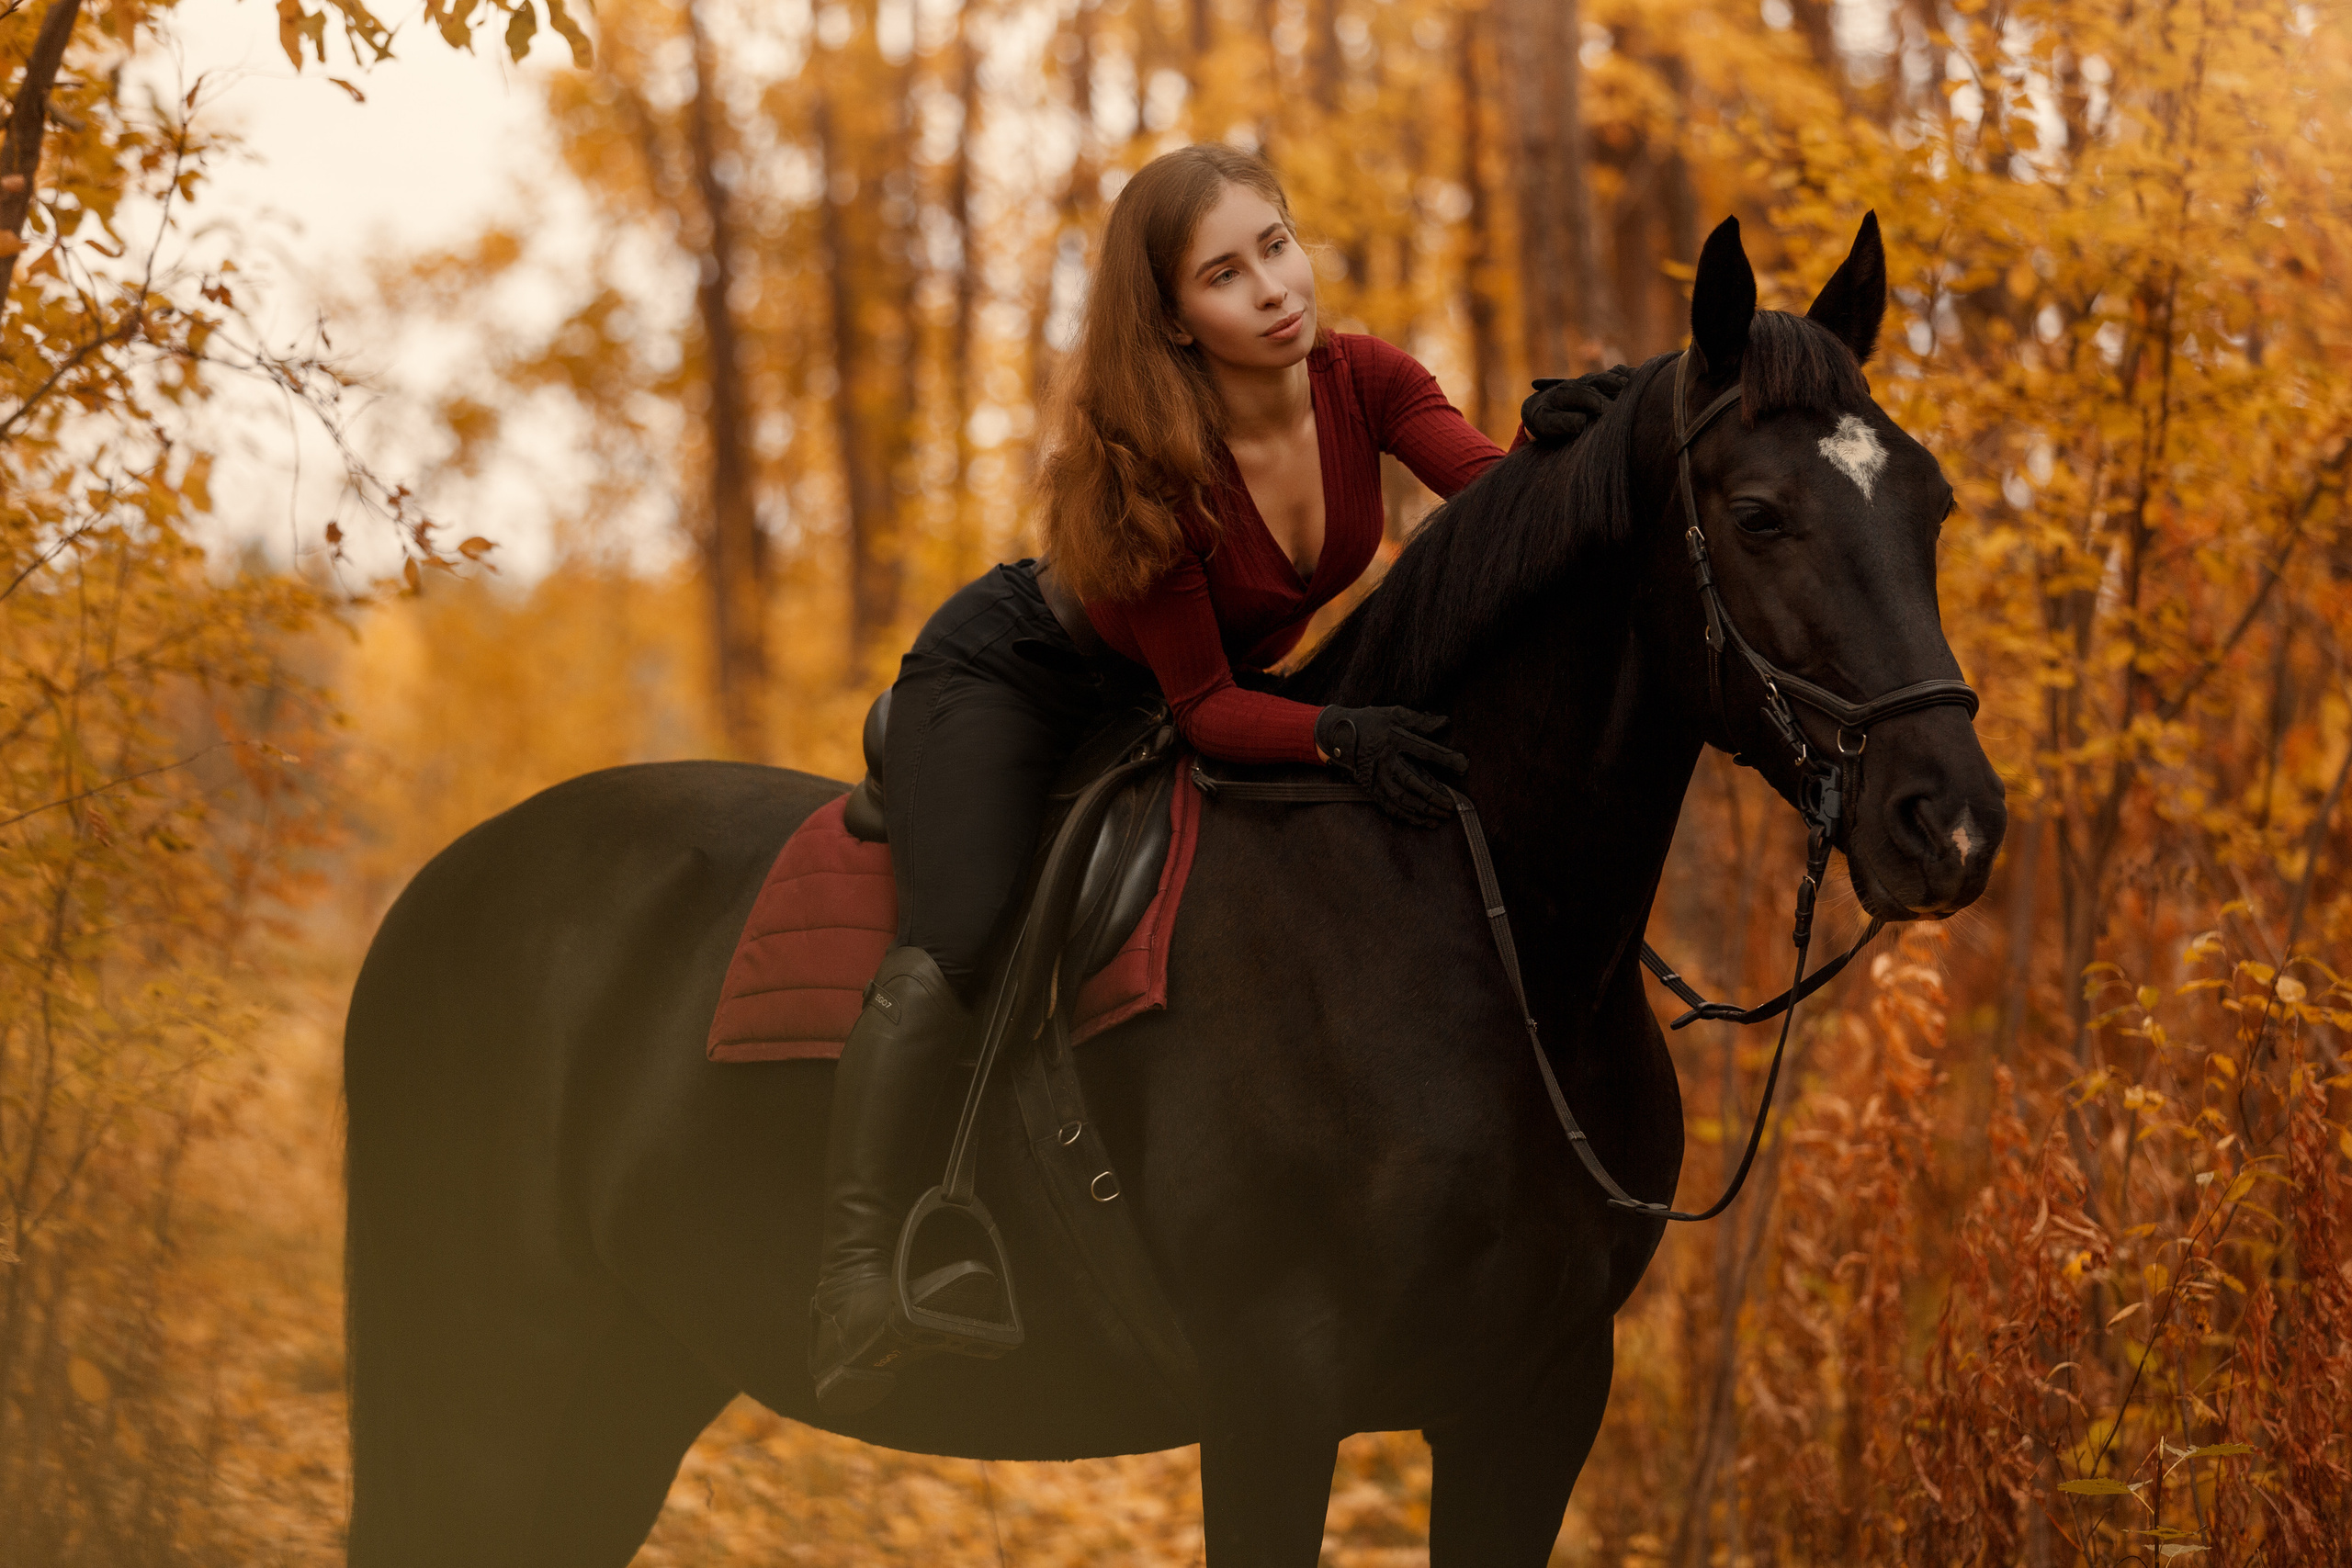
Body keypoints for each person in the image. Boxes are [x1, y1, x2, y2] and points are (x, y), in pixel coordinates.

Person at [808, 142, 1625, 1416]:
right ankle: (855, 1270)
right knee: (961, 927)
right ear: (1175, 320)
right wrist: (1340, 735)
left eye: (1276, 247)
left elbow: (1491, 508)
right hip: (1019, 677)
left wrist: (1558, 445)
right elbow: (1207, 709)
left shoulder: (1368, 379)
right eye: (1225, 275)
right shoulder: (1152, 462)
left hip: (1166, 691)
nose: (1274, 289)